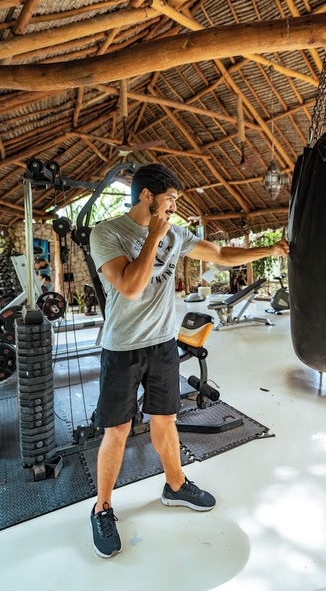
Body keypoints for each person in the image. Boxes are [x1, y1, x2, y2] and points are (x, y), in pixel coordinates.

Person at [89, 163, 289, 558]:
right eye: (171, 199)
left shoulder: (176, 234)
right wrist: (153, 237)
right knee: (118, 429)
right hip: (123, 347)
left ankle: (175, 485)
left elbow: (220, 254)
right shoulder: (107, 233)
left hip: (162, 344)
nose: (175, 207)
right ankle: (102, 508)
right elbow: (130, 287)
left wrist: (269, 249)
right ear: (147, 195)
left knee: (165, 420)